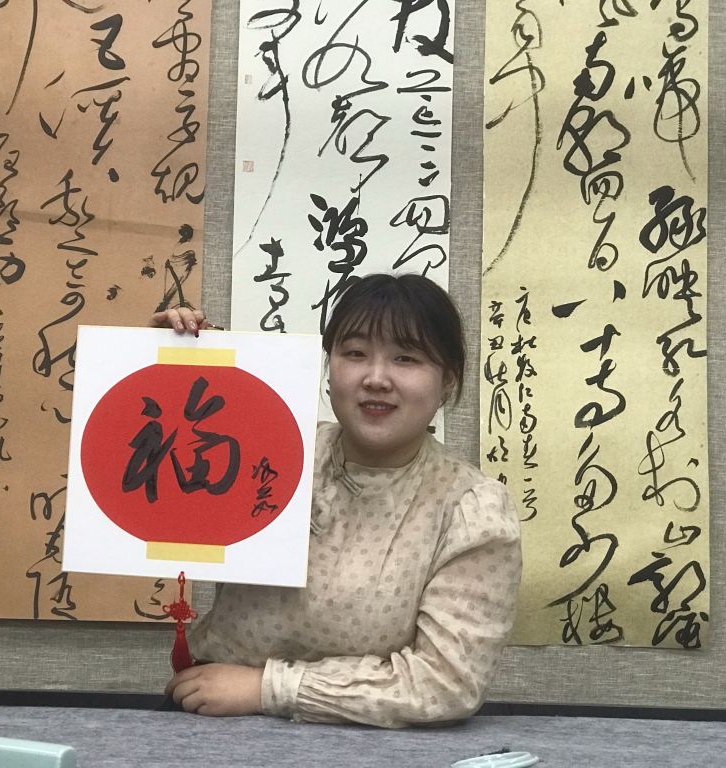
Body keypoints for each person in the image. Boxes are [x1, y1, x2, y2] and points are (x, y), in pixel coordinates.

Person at [152, 274, 522, 728]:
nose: (376, 378)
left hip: (373, 743)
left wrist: (268, 688)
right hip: (206, 719)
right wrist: (167, 363)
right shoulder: (269, 450)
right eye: (355, 353)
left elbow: (445, 683)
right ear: (329, 368)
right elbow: (159, 473)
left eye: (406, 358)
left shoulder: (471, 510)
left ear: (448, 381)